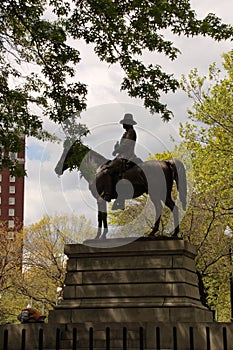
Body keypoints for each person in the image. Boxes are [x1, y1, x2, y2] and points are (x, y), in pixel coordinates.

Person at [102, 113, 142, 210]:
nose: (122, 125)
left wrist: (117, 150)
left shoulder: (131, 132)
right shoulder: (127, 132)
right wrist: (117, 148)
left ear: (128, 123)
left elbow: (126, 146)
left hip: (126, 157)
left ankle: (108, 194)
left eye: (124, 123)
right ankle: (119, 198)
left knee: (107, 170)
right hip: (122, 156)